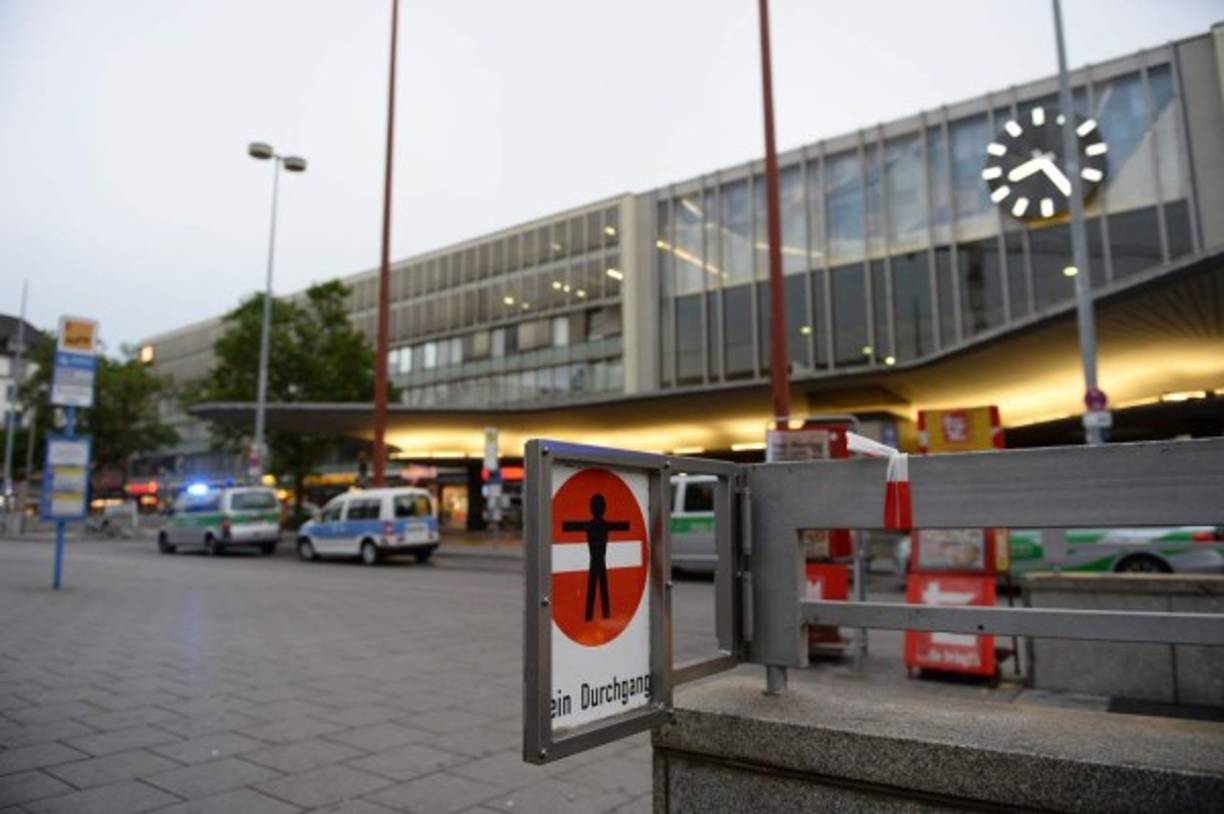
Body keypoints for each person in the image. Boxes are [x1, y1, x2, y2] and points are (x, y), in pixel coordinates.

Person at [562, 493, 629, 621]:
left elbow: (570, 526)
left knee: (594, 588)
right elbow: (623, 525)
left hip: (595, 561)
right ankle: (602, 615)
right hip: (598, 561)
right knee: (601, 588)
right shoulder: (603, 525)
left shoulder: (590, 525)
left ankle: (590, 616)